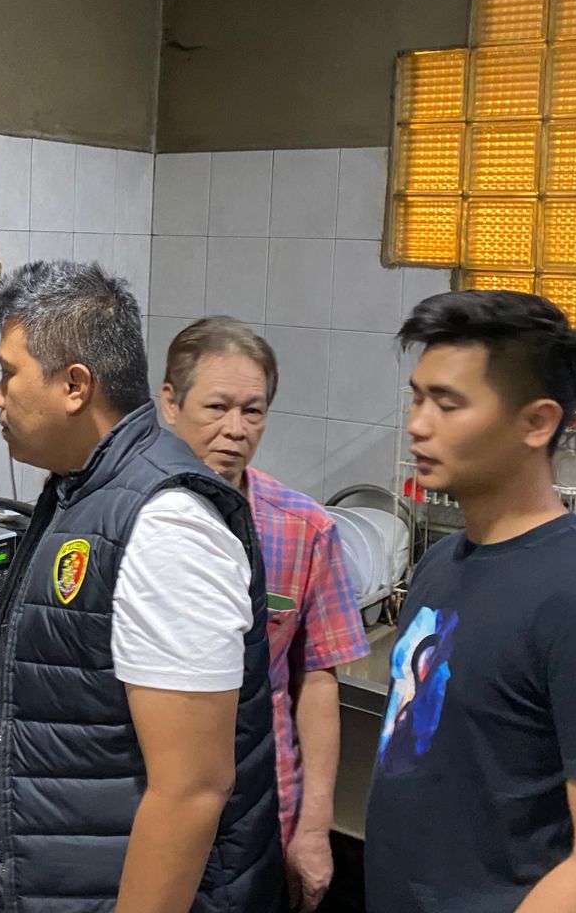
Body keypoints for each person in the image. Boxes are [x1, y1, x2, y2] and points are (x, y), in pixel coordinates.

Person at [0, 260, 286, 913]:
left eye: (8, 374)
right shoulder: (83, 486)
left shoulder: (167, 523)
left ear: (74, 386)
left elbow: (191, 791)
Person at [365, 290, 576, 913]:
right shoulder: (440, 564)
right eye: (418, 398)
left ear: (537, 423)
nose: (418, 424)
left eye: (448, 403)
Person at [159, 317, 369, 912]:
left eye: (252, 411)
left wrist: (313, 828)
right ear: (170, 404)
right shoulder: (130, 519)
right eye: (217, 407)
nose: (235, 429)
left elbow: (317, 679)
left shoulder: (303, 530)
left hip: (259, 816)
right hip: (148, 804)